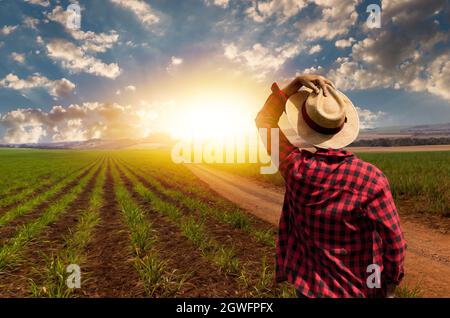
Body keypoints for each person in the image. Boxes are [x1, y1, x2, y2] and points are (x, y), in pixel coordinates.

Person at [255, 74, 406, 298]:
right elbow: (394, 241)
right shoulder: (371, 179)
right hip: (358, 288)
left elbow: (265, 120)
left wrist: (296, 83)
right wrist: (390, 285)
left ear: (305, 125)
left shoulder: (295, 168)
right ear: (343, 127)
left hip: (309, 286)